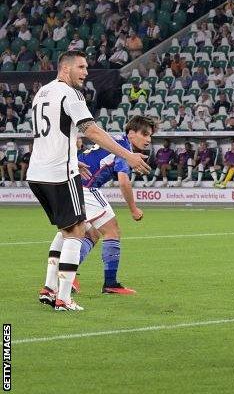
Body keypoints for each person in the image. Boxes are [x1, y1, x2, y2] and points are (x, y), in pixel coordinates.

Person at [34, 51, 150, 311]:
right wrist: (130, 157)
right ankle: (64, 294)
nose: (86, 72)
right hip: (66, 176)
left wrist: (73, 158)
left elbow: (54, 135)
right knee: (84, 233)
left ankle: (50, 287)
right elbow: (92, 131)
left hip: (39, 172)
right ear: (65, 68)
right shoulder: (72, 94)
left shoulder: (42, 93)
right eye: (82, 67)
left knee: (70, 231)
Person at [76, 116, 155, 295]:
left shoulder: (115, 141)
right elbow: (123, 182)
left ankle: (67, 274)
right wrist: (134, 209)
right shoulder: (124, 148)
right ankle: (110, 284)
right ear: (131, 133)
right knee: (112, 231)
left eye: (150, 135)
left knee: (92, 233)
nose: (148, 139)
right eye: (144, 134)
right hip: (85, 187)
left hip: (72, 184)